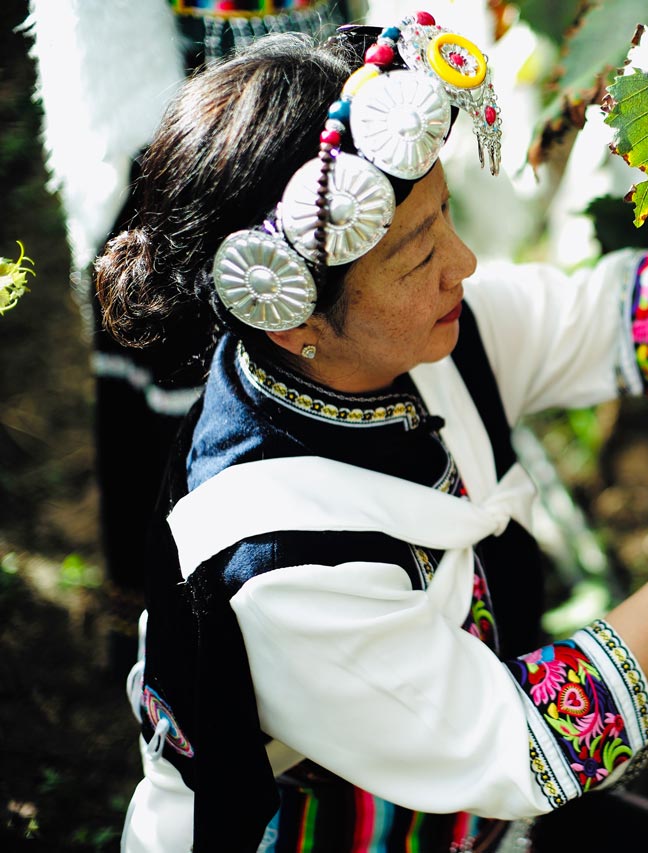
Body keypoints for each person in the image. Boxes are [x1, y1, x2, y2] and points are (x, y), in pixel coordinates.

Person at [95, 12, 648, 852]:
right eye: (418, 257)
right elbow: (520, 743)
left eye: (446, 217)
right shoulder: (278, 562)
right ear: (293, 317)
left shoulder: (414, 348)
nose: (462, 263)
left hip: (479, 814)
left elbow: (613, 319)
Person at [26, 0, 350, 677]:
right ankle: (189, 637)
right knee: (185, 386)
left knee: (336, 342)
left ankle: (337, 598)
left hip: (324, 98)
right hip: (185, 124)